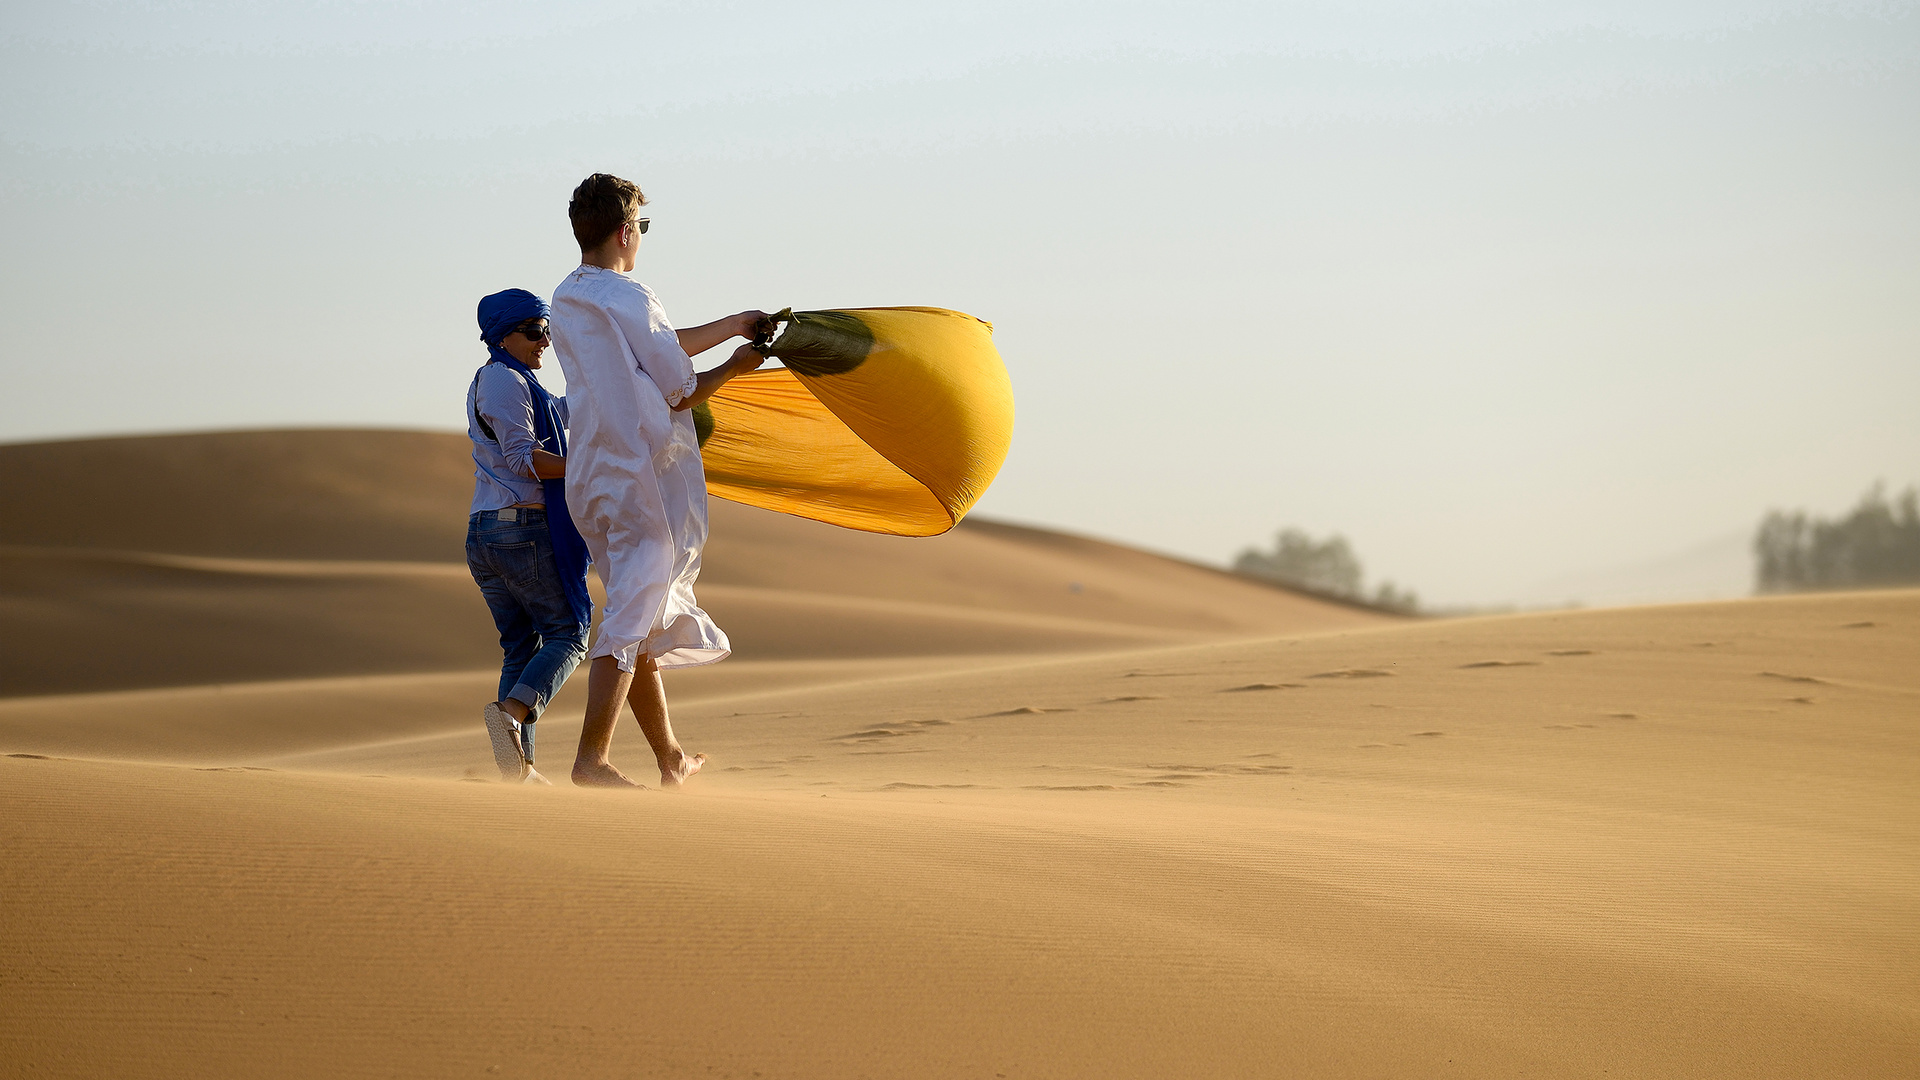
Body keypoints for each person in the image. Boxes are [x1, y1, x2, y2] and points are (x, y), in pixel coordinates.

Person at [550, 172, 769, 789]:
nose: (640, 238)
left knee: (636, 610)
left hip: (592, 477)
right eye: (640, 227)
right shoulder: (631, 296)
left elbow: (659, 349)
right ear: (625, 232)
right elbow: (680, 389)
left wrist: (730, 324)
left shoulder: (568, 297)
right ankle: (590, 761)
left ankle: (670, 757)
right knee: (630, 615)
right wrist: (736, 366)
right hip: (639, 479)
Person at [465, 288, 594, 784]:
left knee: (522, 648)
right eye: (537, 331)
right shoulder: (500, 379)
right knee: (568, 635)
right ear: (505, 335)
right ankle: (513, 716)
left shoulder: (521, 383)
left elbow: (571, 410)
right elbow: (524, 458)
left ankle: (517, 771)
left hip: (495, 533)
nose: (546, 342)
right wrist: (589, 473)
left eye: (549, 331)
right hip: (517, 531)